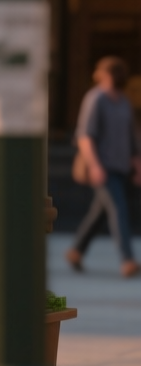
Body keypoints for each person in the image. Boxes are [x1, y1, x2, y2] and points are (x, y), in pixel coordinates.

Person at [67, 56, 141, 278]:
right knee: (118, 210)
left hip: (120, 166)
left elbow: (131, 138)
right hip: (102, 167)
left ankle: (76, 251)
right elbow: (85, 136)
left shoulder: (124, 102)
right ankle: (127, 260)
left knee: (99, 212)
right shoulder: (95, 98)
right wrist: (95, 165)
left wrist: (137, 163)